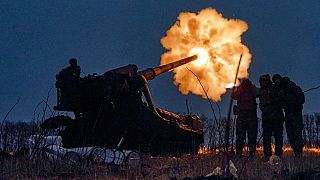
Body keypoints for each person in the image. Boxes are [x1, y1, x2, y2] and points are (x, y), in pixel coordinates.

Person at [272, 74, 305, 157]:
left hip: (296, 114)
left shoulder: (292, 87)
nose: (276, 82)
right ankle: (296, 153)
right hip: (288, 114)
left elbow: (301, 99)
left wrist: (292, 102)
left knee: (297, 135)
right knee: (291, 136)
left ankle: (299, 155)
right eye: (274, 80)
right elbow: (279, 103)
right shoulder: (279, 90)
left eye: (277, 80)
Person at [258, 74, 284, 160]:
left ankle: (278, 155)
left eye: (265, 80)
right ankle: (267, 156)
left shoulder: (275, 88)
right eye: (262, 81)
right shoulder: (261, 91)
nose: (263, 82)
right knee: (266, 137)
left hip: (277, 117)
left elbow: (280, 101)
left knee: (278, 137)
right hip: (266, 118)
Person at [232, 79, 259, 157]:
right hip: (242, 117)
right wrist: (240, 88)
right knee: (240, 137)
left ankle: (251, 154)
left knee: (252, 137)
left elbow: (258, 93)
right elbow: (234, 96)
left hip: (251, 117)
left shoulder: (252, 89)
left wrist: (251, 87)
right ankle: (239, 154)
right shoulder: (240, 90)